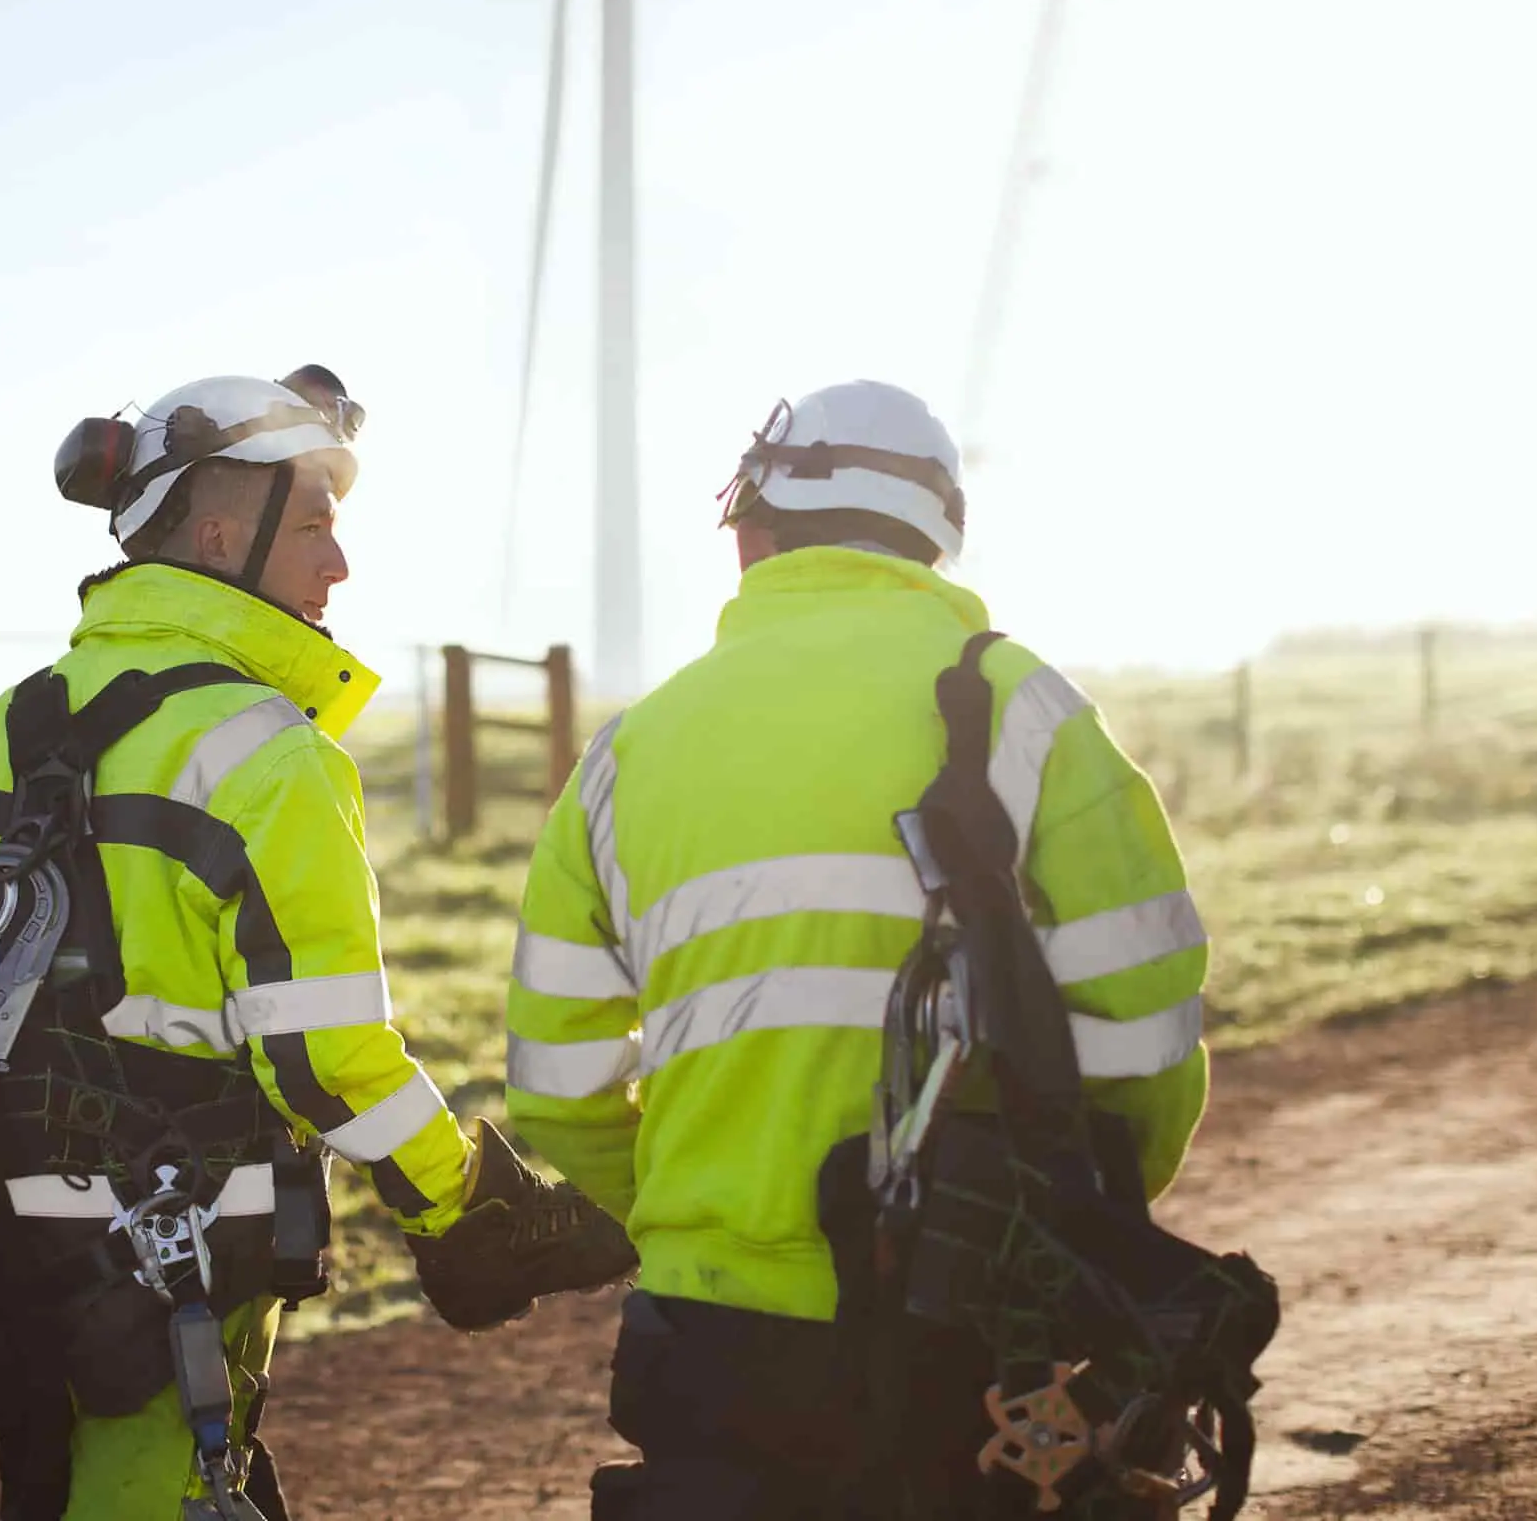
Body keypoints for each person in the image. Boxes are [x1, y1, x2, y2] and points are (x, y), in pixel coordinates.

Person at [0, 366, 635, 1521]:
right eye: (318, 526)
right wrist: (468, 1202)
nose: (339, 564)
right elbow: (324, 1054)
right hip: (169, 1257)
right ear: (224, 532)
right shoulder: (270, 755)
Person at [503, 380, 1217, 1517]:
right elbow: (1143, 1032)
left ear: (750, 530)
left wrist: (691, 1209)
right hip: (974, 1326)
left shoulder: (625, 753)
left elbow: (553, 1083)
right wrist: (1075, 1232)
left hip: (708, 1327)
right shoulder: (1023, 711)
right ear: (938, 539)